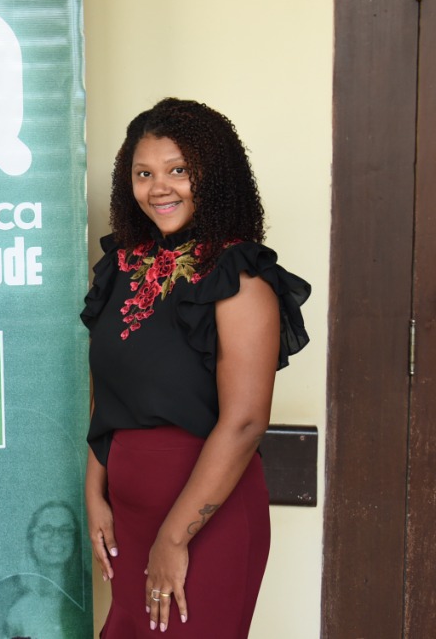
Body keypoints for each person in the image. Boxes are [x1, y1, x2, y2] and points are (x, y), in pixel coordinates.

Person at [82, 98, 310, 637]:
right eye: (144, 173)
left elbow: (245, 422)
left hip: (205, 517)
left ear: (214, 176)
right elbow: (106, 394)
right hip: (128, 508)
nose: (159, 188)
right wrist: (94, 492)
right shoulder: (122, 268)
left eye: (178, 170)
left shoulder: (240, 278)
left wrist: (174, 538)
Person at [0, 500, 87, 639]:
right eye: (46, 530)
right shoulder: (18, 608)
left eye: (65, 530)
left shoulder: (88, 597)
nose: (56, 537)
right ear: (31, 539)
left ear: (75, 540)